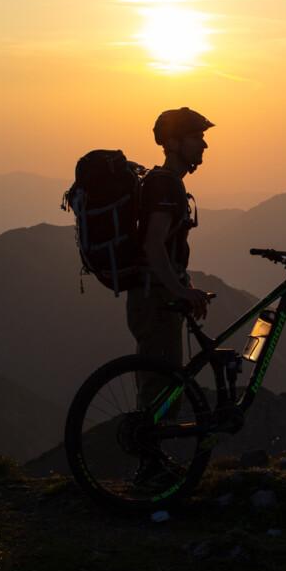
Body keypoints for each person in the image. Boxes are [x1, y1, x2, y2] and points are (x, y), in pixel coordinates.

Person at [125, 107, 213, 485]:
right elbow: (152, 244)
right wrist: (178, 289)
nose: (204, 144)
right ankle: (148, 469)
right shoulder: (165, 185)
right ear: (174, 143)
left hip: (159, 296)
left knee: (165, 386)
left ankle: (153, 463)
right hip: (155, 298)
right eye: (196, 137)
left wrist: (183, 288)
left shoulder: (166, 183)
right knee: (158, 386)